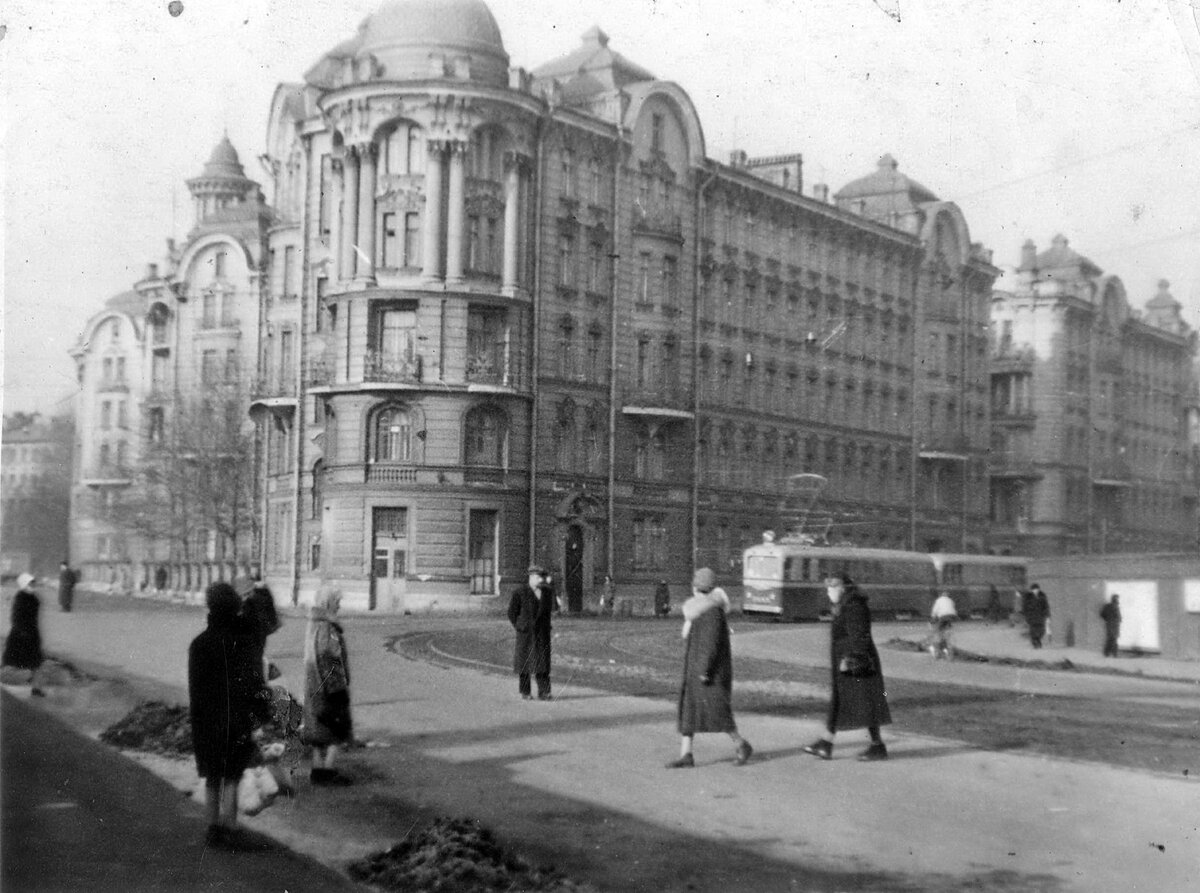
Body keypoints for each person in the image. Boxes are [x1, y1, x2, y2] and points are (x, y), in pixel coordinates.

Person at [187, 581, 272, 849]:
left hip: (207, 720)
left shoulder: (199, 644)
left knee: (213, 774)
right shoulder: (242, 642)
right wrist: (260, 713)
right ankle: (230, 826)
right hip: (236, 717)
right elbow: (253, 681)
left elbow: (195, 688)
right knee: (233, 775)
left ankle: (212, 828)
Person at [667, 568, 752, 768]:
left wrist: (705, 670)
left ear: (698, 588)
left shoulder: (711, 611)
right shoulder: (701, 609)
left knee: (718, 710)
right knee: (689, 710)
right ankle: (686, 754)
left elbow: (711, 644)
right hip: (696, 668)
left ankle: (741, 744)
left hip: (708, 672)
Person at [804, 572, 892, 762]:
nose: (828, 592)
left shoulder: (854, 606)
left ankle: (878, 746)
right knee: (840, 700)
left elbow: (859, 635)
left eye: (832, 587)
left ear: (843, 588)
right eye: (827, 587)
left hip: (856, 661)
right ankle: (826, 744)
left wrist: (855, 659)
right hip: (847, 660)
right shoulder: (845, 605)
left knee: (866, 702)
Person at [301, 585, 354, 785]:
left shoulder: (314, 623)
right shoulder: (327, 625)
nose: (339, 606)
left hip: (314, 683)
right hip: (329, 685)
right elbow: (326, 654)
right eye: (337, 602)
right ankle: (329, 769)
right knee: (337, 727)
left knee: (318, 728)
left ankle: (317, 769)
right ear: (329, 603)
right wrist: (337, 684)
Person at [508, 565, 557, 700]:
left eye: (540, 577)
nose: (539, 580)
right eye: (536, 577)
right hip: (526, 633)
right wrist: (520, 626)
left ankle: (544, 692)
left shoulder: (547, 592)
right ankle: (525, 692)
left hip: (542, 633)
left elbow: (549, 612)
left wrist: (547, 627)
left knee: (543, 664)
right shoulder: (520, 592)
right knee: (525, 663)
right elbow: (512, 613)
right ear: (530, 577)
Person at [3, 573, 46, 696]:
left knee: (36, 662)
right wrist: (22, 632)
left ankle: (36, 688)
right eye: (30, 583)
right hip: (20, 635)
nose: (33, 586)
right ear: (24, 584)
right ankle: (33, 685)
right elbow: (15, 617)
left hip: (32, 634)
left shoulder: (32, 597)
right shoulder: (21, 598)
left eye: (33, 583)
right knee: (13, 663)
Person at [240, 573, 281, 672]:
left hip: (256, 625)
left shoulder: (253, 594)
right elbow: (270, 606)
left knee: (255, 646)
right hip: (262, 625)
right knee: (259, 645)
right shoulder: (263, 592)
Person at [929, 590, 957, 659]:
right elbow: (953, 608)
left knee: (938, 632)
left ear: (941, 595)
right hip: (952, 616)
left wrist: (932, 618)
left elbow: (935, 610)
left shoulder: (939, 600)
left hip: (943, 617)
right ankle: (950, 652)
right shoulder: (950, 600)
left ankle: (937, 654)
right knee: (947, 632)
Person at [1025, 583, 1050, 649]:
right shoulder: (1028, 597)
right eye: (1034, 589)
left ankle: (1038, 639)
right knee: (1033, 630)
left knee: (1041, 630)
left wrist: (1047, 613)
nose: (1035, 590)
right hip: (1032, 616)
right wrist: (1027, 615)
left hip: (1040, 616)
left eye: (1036, 589)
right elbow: (1025, 607)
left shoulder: (1042, 595)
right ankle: (1035, 641)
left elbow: (1046, 605)